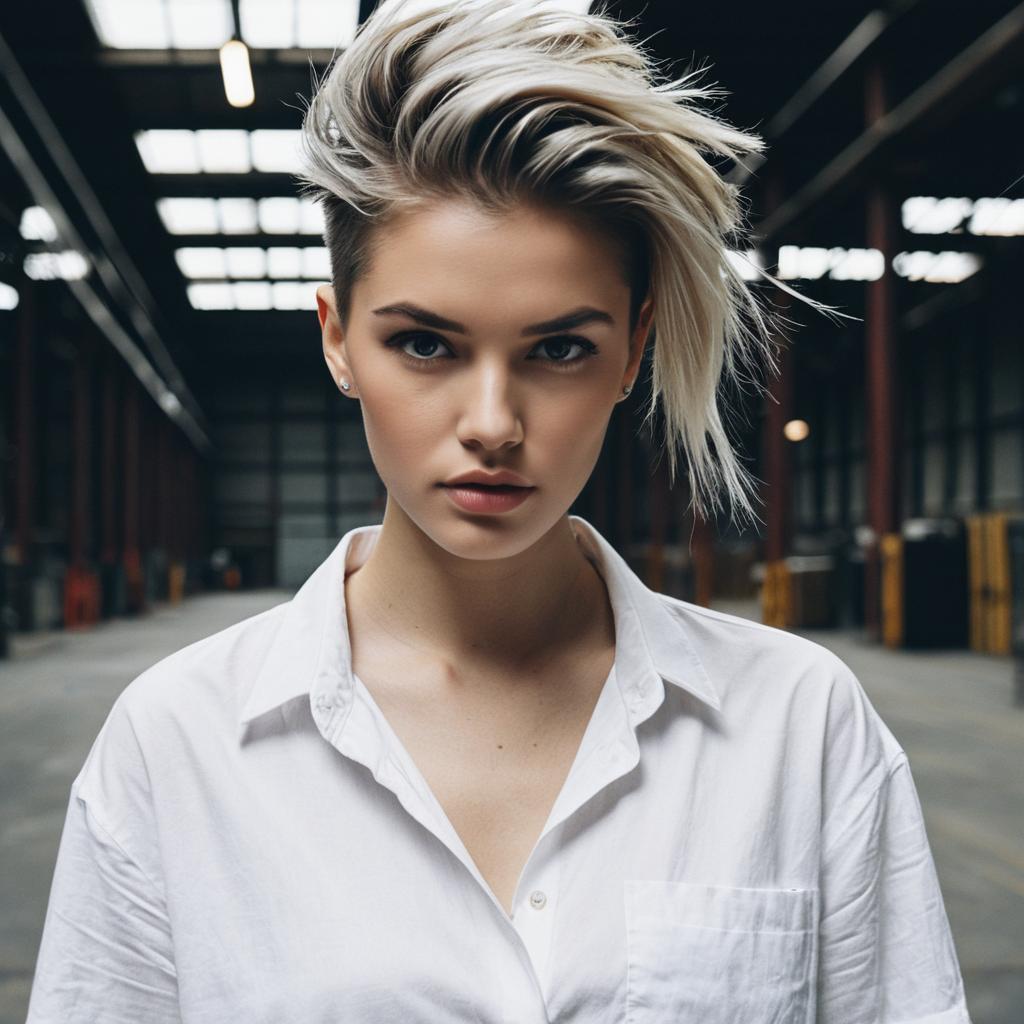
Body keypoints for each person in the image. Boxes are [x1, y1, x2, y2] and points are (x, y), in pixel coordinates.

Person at [27, 1, 972, 1021]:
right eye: (425, 344)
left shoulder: (799, 723)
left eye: (558, 347)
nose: (492, 423)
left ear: (633, 350)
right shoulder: (178, 741)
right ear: (338, 337)